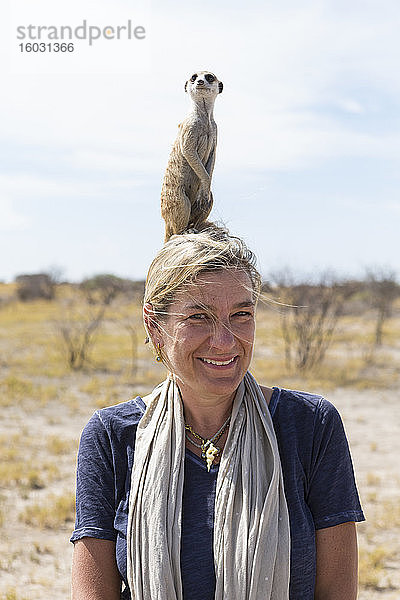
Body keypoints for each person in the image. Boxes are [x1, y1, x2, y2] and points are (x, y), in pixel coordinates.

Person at [70, 225, 365, 600]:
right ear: (154, 326)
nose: (225, 341)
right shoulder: (112, 436)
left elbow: (337, 590)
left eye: (241, 314)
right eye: (198, 317)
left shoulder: (310, 425)